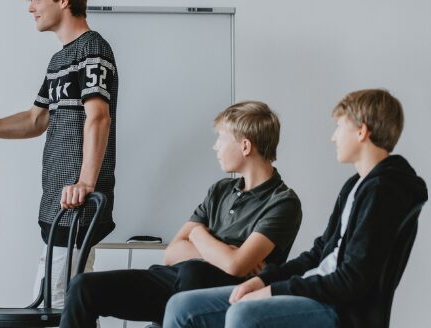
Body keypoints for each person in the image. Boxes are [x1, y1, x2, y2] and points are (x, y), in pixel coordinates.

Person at [164, 89, 427, 328]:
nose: (333, 137)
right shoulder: (356, 185)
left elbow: (351, 280)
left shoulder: (385, 192)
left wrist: (274, 291)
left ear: (362, 132)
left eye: (339, 127)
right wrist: (264, 280)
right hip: (318, 293)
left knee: (244, 314)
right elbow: (318, 253)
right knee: (182, 306)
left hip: (340, 309)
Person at [0, 0, 118, 307]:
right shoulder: (60, 60)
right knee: (63, 301)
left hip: (77, 202)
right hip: (56, 200)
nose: (31, 8)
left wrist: (85, 184)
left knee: (58, 302)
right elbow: (35, 119)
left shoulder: (92, 49)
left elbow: (98, 116)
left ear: (64, 0)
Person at [59, 101, 303, 327]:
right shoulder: (220, 189)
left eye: (221, 138)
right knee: (82, 286)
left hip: (221, 294)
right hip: (174, 278)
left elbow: (235, 266)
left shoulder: (283, 202)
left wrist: (198, 235)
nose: (215, 146)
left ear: (245, 146)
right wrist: (222, 250)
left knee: (193, 271)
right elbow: (173, 252)